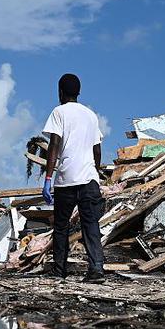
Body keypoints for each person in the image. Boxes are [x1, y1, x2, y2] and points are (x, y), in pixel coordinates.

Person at [41, 73, 105, 283]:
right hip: (89, 179)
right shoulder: (91, 115)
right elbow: (97, 149)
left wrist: (48, 178)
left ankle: (60, 270)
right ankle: (96, 269)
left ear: (60, 91)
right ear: (78, 92)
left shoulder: (59, 112)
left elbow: (54, 145)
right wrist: (95, 172)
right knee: (90, 225)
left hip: (66, 179)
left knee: (61, 227)